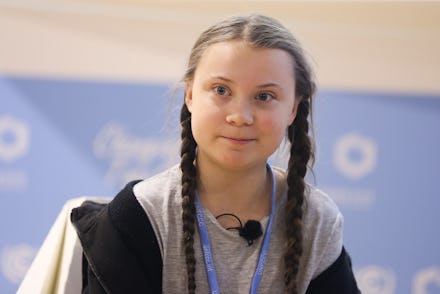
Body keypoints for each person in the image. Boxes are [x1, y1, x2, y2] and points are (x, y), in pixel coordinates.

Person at [71, 14, 360, 294]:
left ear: (293, 109)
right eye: (221, 90)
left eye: (264, 96)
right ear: (191, 95)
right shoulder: (139, 216)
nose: (240, 116)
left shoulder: (317, 219)